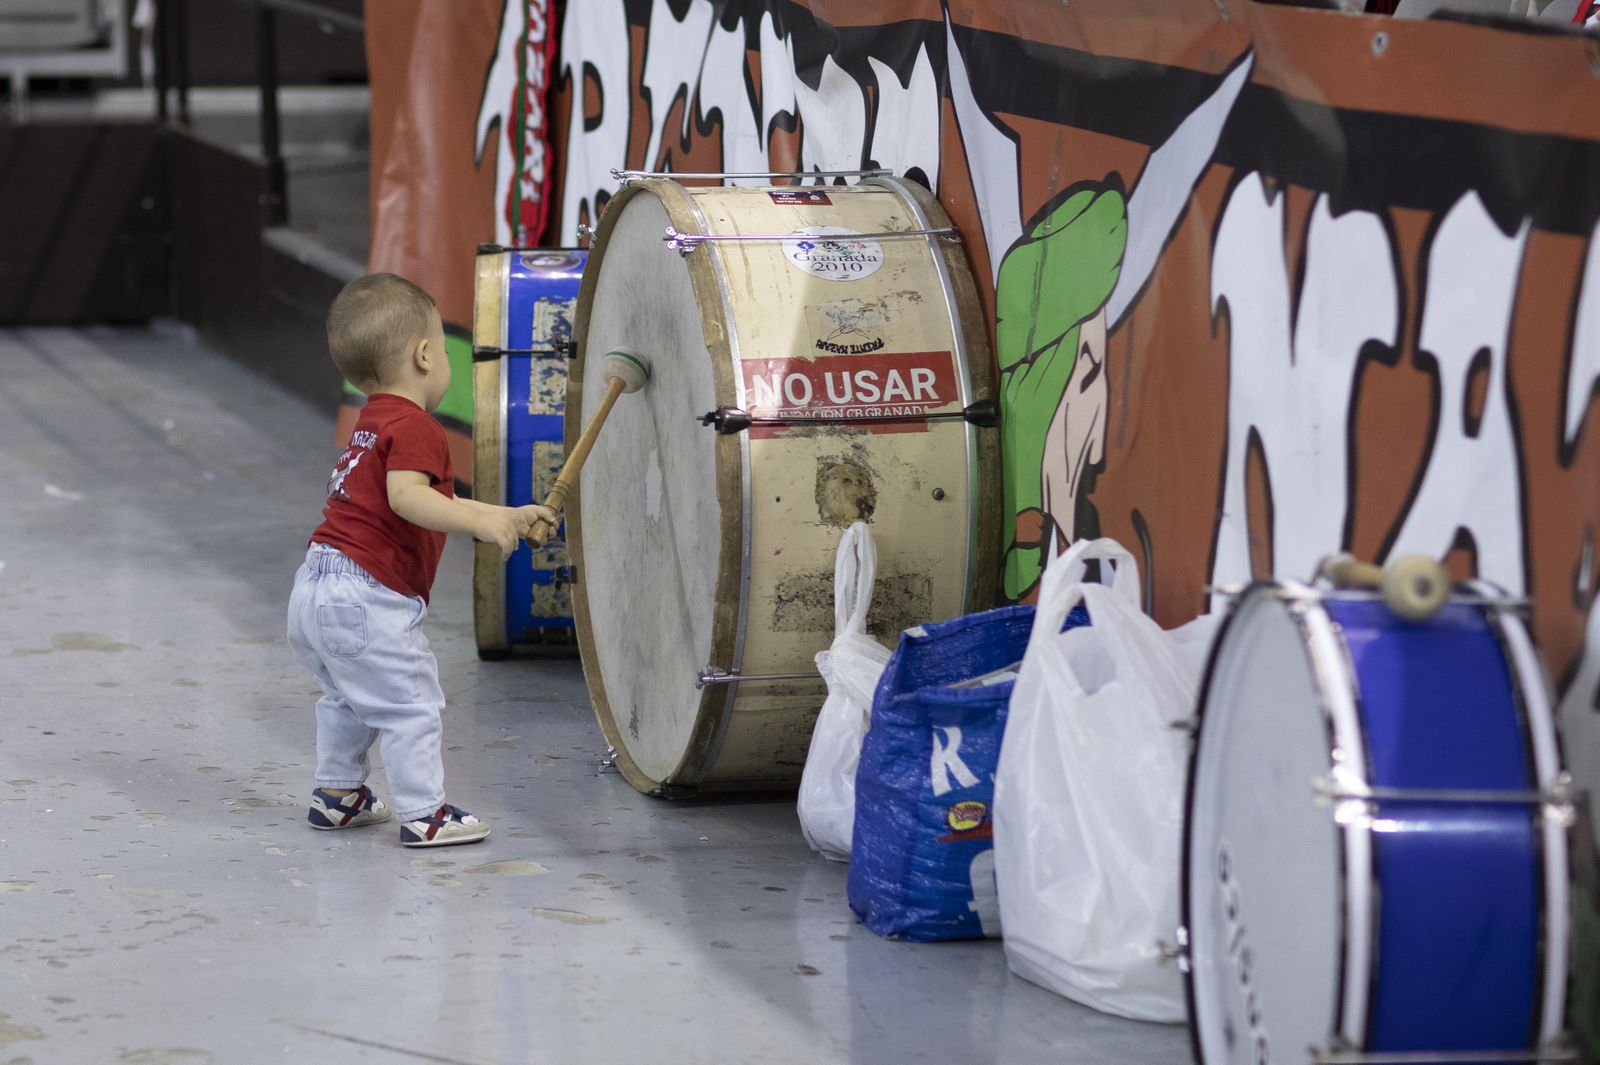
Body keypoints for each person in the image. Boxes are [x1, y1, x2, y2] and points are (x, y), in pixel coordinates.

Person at [287, 273, 557, 847]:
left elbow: (437, 501)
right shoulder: (418, 426)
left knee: (348, 695)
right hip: (366, 594)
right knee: (412, 705)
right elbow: (408, 499)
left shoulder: (375, 421)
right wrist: (483, 524)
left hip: (316, 585)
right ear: (426, 354)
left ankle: (338, 795)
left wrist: (503, 514)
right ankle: (423, 812)